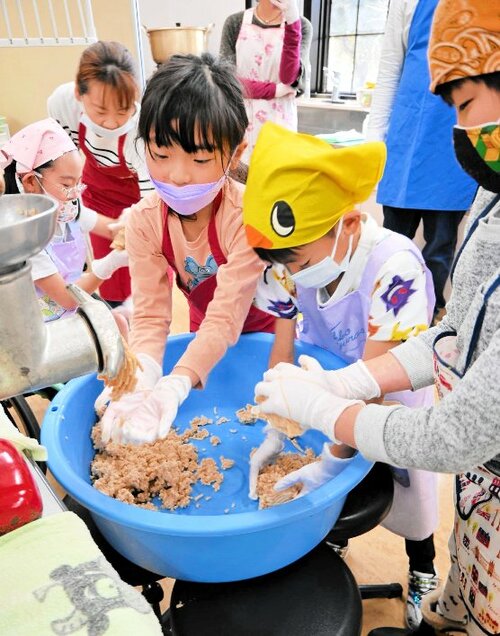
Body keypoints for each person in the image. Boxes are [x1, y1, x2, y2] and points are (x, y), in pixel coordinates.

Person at [253, 0, 500, 632]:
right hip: (475, 480)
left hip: (427, 428)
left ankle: (429, 580)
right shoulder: (490, 206)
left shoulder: (391, 267)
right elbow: (451, 331)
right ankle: (449, 609)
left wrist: (334, 419)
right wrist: (335, 389)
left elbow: (451, 436)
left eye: (466, 107)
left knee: (420, 516)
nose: (460, 136)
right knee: (470, 576)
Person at [244, 121, 440, 628]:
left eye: (301, 261)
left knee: (408, 495)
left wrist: (331, 462)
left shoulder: (394, 267)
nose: (291, 273)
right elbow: (282, 349)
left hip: (387, 397)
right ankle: (331, 542)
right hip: (322, 381)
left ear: (348, 225)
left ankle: (423, 570)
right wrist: (277, 418)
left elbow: (375, 385)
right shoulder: (289, 260)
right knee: (326, 500)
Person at [96, 53, 275, 446]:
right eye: (160, 155)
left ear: (236, 151)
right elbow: (151, 316)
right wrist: (141, 376)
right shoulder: (145, 221)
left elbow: (227, 316)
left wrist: (176, 384)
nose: (177, 176)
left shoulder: (246, 216)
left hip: (266, 335)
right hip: (203, 335)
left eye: (199, 159)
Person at [366, 0, 477, 321]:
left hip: (455, 143)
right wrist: (374, 141)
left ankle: (426, 321)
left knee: (440, 250)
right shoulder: (405, 2)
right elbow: (389, 71)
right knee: (390, 244)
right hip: (406, 138)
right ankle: (381, 318)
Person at [47, 40, 154, 310]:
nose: (111, 122)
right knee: (109, 283)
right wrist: (75, 208)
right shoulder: (63, 105)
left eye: (123, 110)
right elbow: (64, 161)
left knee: (149, 280)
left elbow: (151, 202)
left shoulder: (142, 132)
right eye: (100, 111)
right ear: (78, 94)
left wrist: (136, 227)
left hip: (137, 202)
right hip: (96, 196)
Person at [0, 118, 128, 324]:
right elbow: (68, 298)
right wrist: (107, 265)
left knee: (119, 321)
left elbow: (112, 229)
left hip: (76, 308)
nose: (74, 194)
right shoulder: (26, 242)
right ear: (31, 181)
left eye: (79, 183)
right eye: (67, 185)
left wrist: (131, 223)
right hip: (48, 328)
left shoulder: (69, 212)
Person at [220, 0, 312, 162]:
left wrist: (292, 21)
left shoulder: (301, 25)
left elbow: (289, 78)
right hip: (240, 123)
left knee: (278, 180)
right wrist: (276, 90)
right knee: (241, 181)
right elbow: (227, 83)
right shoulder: (235, 23)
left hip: (280, 125)